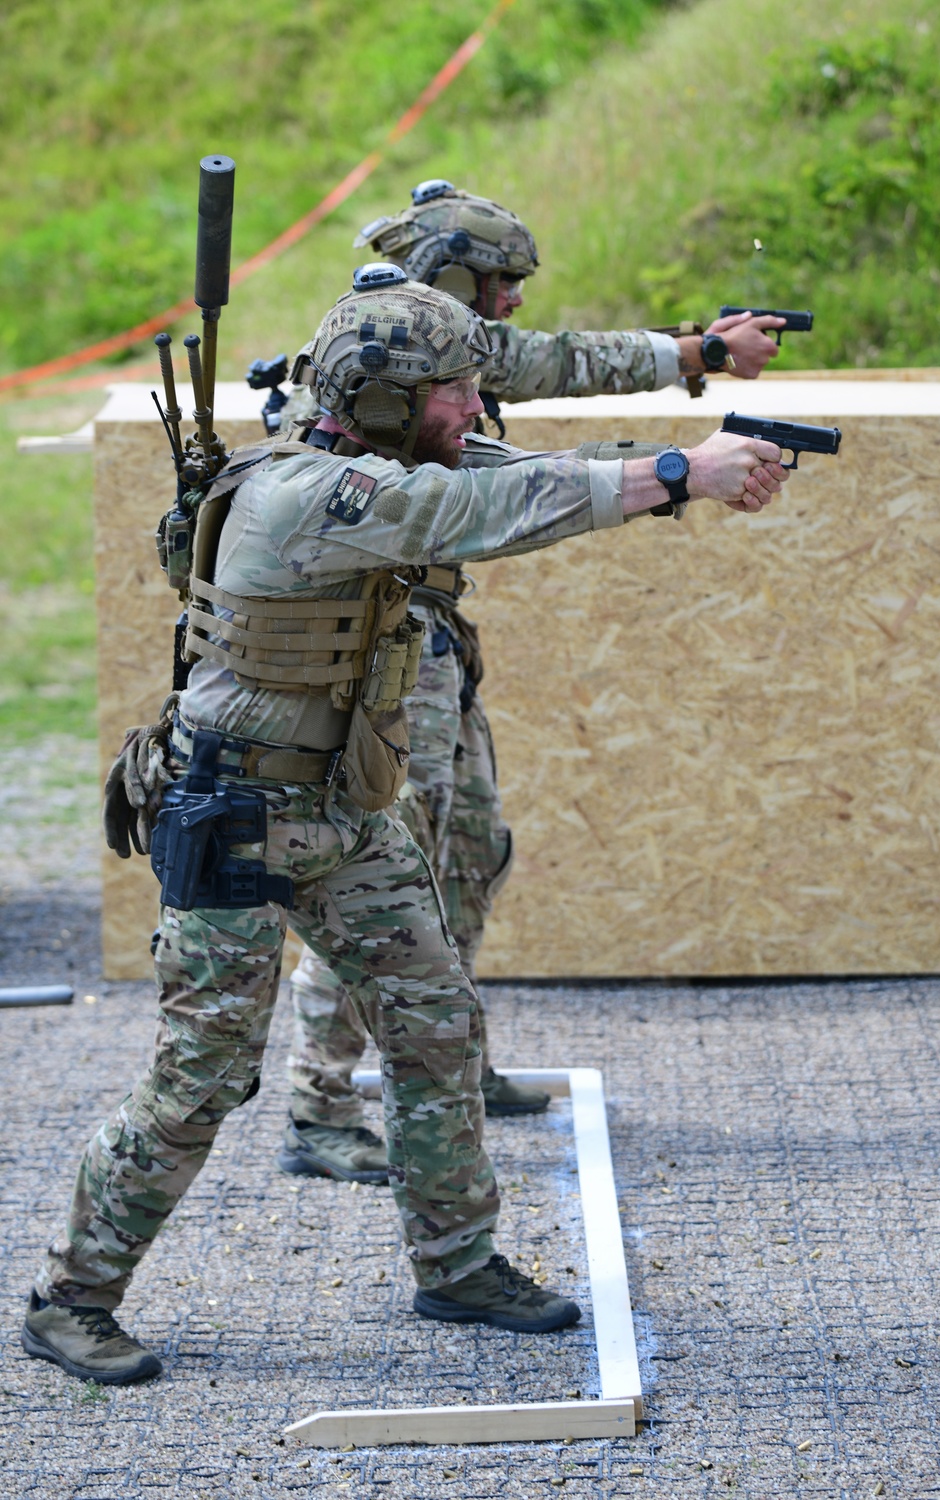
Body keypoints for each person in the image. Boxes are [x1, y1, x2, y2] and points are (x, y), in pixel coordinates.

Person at [22, 269, 789, 1385]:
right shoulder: (311, 496)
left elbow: (520, 473)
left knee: (435, 1028)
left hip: (340, 807)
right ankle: (71, 1297)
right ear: (382, 402)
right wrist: (681, 474)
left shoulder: (386, 457)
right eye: (454, 391)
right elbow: (481, 509)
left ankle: (455, 1261)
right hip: (236, 812)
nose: (473, 409)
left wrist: (686, 457)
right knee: (201, 1081)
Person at [277, 182, 787, 1185]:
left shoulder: (439, 353)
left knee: (469, 847)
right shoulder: (382, 360)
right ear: (457, 279)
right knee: (379, 875)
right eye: (501, 283)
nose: (510, 305)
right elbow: (506, 475)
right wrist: (680, 446)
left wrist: (684, 416)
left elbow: (535, 413)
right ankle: (317, 1100)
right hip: (366, 646)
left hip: (426, 637)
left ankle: (446, 1060)